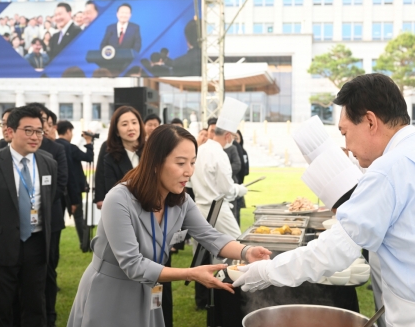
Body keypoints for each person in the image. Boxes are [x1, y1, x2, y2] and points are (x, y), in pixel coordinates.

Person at [234, 74, 415, 327]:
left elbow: (334, 251)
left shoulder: (390, 168)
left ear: (371, 121)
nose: (346, 146)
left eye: (345, 132)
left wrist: (266, 271)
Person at [67, 125, 271, 327]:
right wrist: (191, 273)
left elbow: (210, 235)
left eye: (192, 163)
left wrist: (247, 251)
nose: (189, 172)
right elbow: (132, 264)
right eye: (181, 163)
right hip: (111, 292)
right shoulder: (118, 199)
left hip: (149, 288)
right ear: (155, 162)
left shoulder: (180, 200)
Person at [0, 105, 58, 327]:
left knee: (34, 305)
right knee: (1, 307)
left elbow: (48, 202)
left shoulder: (48, 163)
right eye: (28, 130)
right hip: (3, 245)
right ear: (11, 131)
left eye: (39, 131)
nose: (35, 137)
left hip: (37, 244)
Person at [191, 98, 249, 310]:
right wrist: (240, 189)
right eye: (231, 137)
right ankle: (232, 298)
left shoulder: (200, 149)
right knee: (236, 249)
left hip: (198, 210)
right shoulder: (219, 153)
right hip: (217, 208)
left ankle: (207, 300)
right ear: (227, 135)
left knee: (202, 258)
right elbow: (227, 189)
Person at [28, 104, 68, 327]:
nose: (41, 124)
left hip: (50, 219)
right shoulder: (11, 148)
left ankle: (48, 314)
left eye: (44, 120)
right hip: (20, 223)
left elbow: (60, 184)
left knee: (48, 268)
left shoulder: (56, 149)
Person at [56, 121, 94, 246]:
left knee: (57, 217)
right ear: (68, 131)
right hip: (74, 188)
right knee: (78, 217)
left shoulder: (54, 146)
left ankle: (53, 244)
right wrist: (88, 141)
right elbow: (89, 157)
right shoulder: (70, 147)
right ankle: (84, 243)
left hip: (58, 188)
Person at [102, 106, 145, 201]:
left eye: (134, 123)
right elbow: (112, 192)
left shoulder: (152, 152)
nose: (131, 128)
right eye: (125, 124)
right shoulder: (110, 159)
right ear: (116, 131)